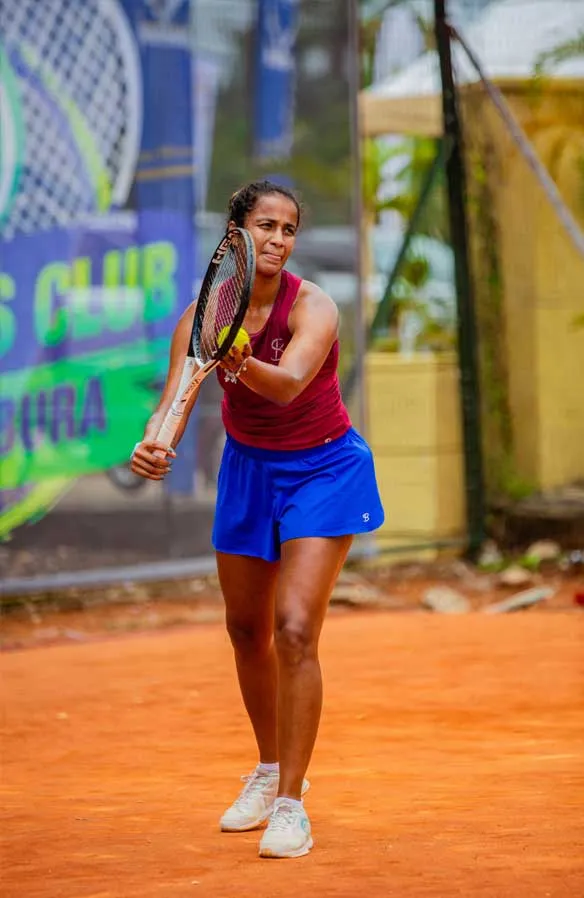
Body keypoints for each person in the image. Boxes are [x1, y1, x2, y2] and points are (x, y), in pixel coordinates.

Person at [130, 179, 384, 859]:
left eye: (288, 228)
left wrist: (241, 362)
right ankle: (268, 772)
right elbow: (174, 398)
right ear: (235, 236)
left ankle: (294, 805)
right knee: (246, 630)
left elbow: (291, 383)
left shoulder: (316, 308)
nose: (278, 239)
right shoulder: (200, 317)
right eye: (265, 225)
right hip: (249, 473)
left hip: (324, 470)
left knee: (295, 628)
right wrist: (154, 440)